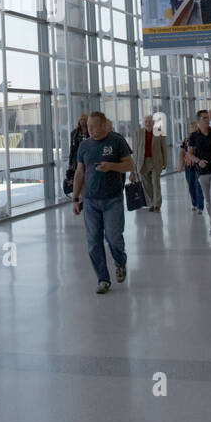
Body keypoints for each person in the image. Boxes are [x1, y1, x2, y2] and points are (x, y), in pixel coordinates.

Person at [72, 112, 135, 294]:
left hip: (112, 199)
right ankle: (103, 279)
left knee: (114, 237)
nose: (89, 130)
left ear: (103, 125)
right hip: (90, 201)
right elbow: (79, 173)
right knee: (93, 242)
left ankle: (120, 262)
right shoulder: (84, 146)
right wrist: (76, 198)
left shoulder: (117, 141)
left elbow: (129, 165)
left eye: (93, 127)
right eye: (88, 127)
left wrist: (111, 166)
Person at [132, 113, 167, 212]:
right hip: (142, 161)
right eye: (146, 121)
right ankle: (151, 203)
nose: (148, 123)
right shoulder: (138, 133)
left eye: (150, 121)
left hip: (156, 161)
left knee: (155, 182)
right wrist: (135, 165)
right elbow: (136, 150)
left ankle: (157, 204)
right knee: (146, 184)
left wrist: (165, 162)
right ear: (143, 123)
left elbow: (163, 148)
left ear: (153, 122)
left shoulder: (159, 132)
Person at [179, 122, 204, 213]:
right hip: (188, 165)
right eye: (190, 127)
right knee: (191, 185)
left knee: (198, 184)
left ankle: (200, 206)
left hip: (198, 165)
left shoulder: (200, 138)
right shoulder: (186, 139)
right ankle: (194, 203)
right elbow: (182, 151)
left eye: (194, 127)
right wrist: (180, 164)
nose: (192, 128)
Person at [65, 114, 87, 199]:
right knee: (79, 179)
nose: (82, 121)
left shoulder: (90, 131)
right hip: (77, 160)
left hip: (87, 160)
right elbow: (72, 149)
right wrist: (70, 163)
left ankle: (86, 197)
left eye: (84, 119)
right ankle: (83, 197)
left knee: (87, 179)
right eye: (81, 120)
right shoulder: (75, 133)